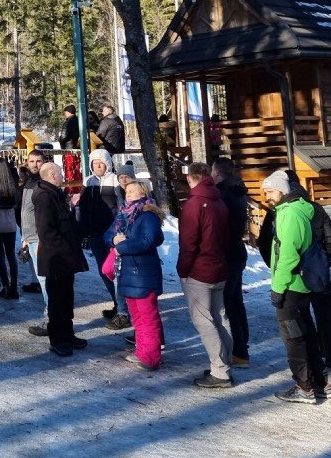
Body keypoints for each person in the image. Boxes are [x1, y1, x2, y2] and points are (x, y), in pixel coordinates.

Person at [260, 170, 329, 404]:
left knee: (294, 337)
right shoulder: (297, 209)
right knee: (306, 332)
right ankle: (320, 382)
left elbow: (288, 254)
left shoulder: (290, 214)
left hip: (290, 285)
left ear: (282, 190)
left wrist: (277, 288)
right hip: (300, 284)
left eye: (270, 191)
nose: (267, 196)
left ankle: (304, 387)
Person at [177, 162, 234, 389]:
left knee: (204, 321)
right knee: (219, 317)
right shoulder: (218, 200)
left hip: (200, 270)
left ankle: (220, 371)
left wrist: (183, 269)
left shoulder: (193, 205)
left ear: (192, 178)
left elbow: (188, 243)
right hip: (218, 266)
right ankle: (225, 361)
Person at [104, 179, 164, 369]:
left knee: (148, 317)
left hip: (143, 272)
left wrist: (121, 246)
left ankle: (151, 357)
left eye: (133, 191)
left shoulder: (148, 215)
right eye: (127, 191)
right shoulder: (123, 214)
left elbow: (148, 240)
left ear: (143, 193)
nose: (128, 194)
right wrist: (113, 239)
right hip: (127, 271)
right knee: (137, 317)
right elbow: (106, 235)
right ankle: (142, 350)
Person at [34, 162, 89, 356]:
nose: (63, 176)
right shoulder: (44, 197)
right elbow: (46, 230)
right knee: (57, 301)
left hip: (65, 256)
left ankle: (68, 334)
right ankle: (58, 339)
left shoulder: (54, 194)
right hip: (56, 258)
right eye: (59, 173)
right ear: (51, 175)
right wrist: (65, 249)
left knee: (67, 298)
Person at [212, 157, 250, 369]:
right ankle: (242, 344)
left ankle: (239, 350)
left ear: (216, 173)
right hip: (237, 251)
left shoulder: (223, 195)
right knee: (235, 301)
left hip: (228, 252)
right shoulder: (237, 191)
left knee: (229, 303)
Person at [80, 148, 124, 327]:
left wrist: (120, 228)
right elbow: (82, 208)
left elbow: (121, 205)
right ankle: (116, 302)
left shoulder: (114, 180)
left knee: (115, 270)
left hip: (112, 232)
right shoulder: (88, 181)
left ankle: (123, 308)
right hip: (94, 232)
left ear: (107, 163)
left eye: (101, 162)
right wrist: (83, 229)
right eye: (94, 163)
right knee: (103, 270)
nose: (98, 166)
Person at [19, 150, 51, 337]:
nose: (35, 164)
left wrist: (40, 238)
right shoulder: (27, 182)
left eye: (38, 161)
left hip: (40, 239)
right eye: (31, 161)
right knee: (42, 279)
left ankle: (50, 318)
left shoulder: (45, 184)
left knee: (46, 280)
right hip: (30, 237)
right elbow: (26, 212)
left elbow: (43, 216)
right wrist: (25, 236)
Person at [0, 158, 21, 300]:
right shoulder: (12, 183)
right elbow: (16, 203)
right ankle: (14, 288)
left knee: (0, 256)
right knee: (11, 255)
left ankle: (5, 286)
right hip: (10, 223)